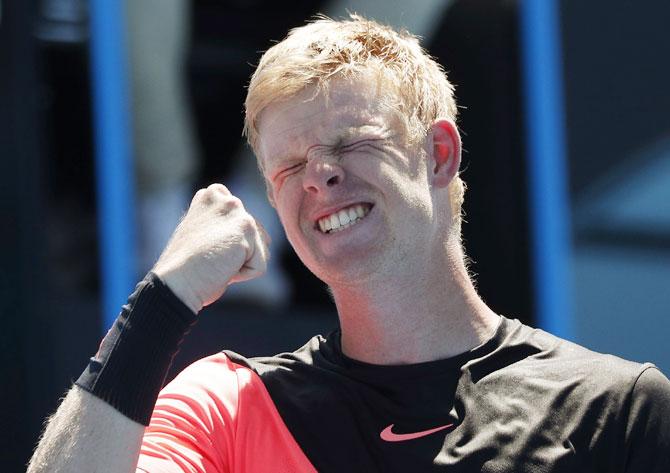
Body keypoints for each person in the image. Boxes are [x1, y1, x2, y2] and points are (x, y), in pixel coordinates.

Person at [28, 15, 670, 473]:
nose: (319, 177)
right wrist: (162, 302)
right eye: (288, 167)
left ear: (439, 154)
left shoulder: (617, 408)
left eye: (349, 143)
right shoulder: (228, 405)